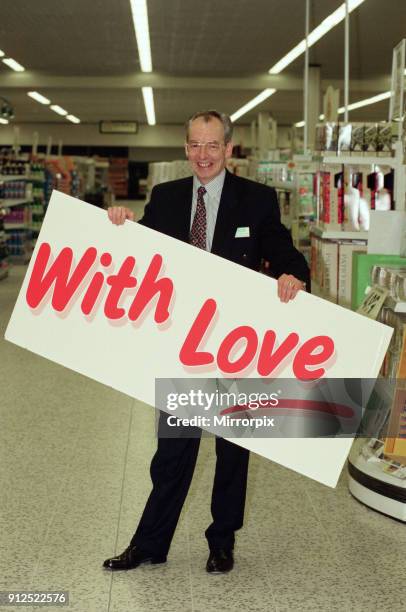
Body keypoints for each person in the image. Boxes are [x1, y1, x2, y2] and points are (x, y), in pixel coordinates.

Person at [103, 110, 310, 574]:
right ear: (185, 148)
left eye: (212, 145)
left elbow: (282, 250)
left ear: (229, 149)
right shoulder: (166, 197)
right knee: (174, 447)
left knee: (233, 448)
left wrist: (293, 274)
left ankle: (222, 541)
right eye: (195, 145)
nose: (203, 155)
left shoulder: (257, 200)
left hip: (237, 345)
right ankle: (151, 542)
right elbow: (139, 252)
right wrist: (118, 225)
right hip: (183, 343)